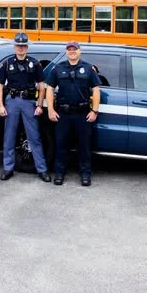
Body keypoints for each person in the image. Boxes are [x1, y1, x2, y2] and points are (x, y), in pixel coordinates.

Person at [45, 41, 101, 187]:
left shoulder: (88, 69)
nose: (72, 51)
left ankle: (85, 174)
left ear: (79, 51)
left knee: (84, 147)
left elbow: (96, 90)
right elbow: (49, 89)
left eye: (74, 49)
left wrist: (94, 111)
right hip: (63, 114)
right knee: (61, 145)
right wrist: (50, 109)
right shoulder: (58, 68)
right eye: (69, 49)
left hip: (83, 114)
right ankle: (59, 173)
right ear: (66, 52)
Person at [0, 32, 50, 182]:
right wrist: (0, 105)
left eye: (23, 45)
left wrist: (39, 105)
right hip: (12, 101)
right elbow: (0, 85)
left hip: (29, 102)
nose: (21, 48)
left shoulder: (34, 63)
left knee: (34, 136)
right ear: (15, 46)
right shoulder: (7, 63)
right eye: (18, 45)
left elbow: (42, 86)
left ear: (27, 47)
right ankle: (8, 168)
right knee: (9, 136)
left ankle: (42, 169)